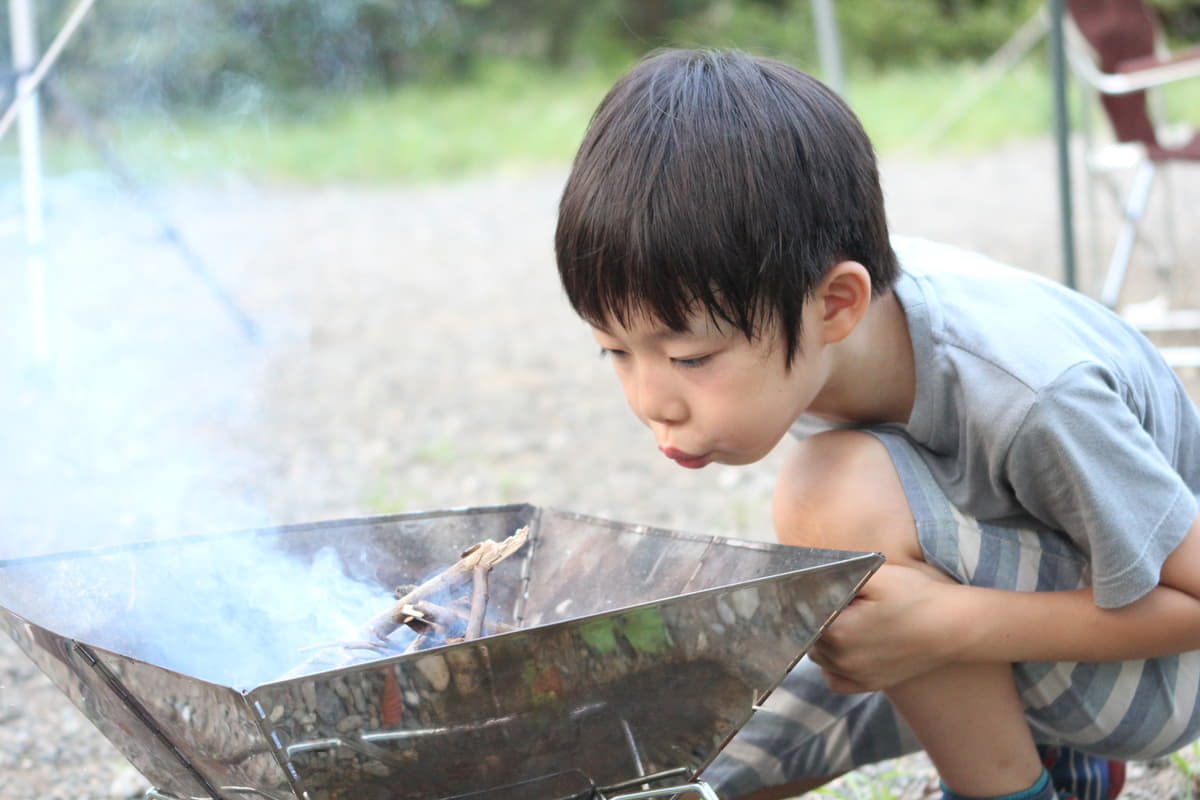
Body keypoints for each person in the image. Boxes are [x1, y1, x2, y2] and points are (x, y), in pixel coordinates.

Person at [553, 48, 1200, 800]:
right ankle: (1054, 757)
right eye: (614, 350)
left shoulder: (1032, 390)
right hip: (1008, 614)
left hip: (1156, 672)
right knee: (656, 769)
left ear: (837, 304)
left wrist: (950, 625)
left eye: (690, 358)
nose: (651, 401)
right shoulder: (797, 302)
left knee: (833, 497)